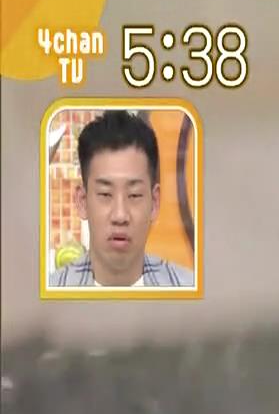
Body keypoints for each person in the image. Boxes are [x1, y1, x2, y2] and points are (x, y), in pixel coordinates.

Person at [48, 110, 194, 288]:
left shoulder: (189, 289)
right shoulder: (50, 293)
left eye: (134, 195)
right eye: (105, 194)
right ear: (82, 201)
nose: (120, 215)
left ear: (154, 203)